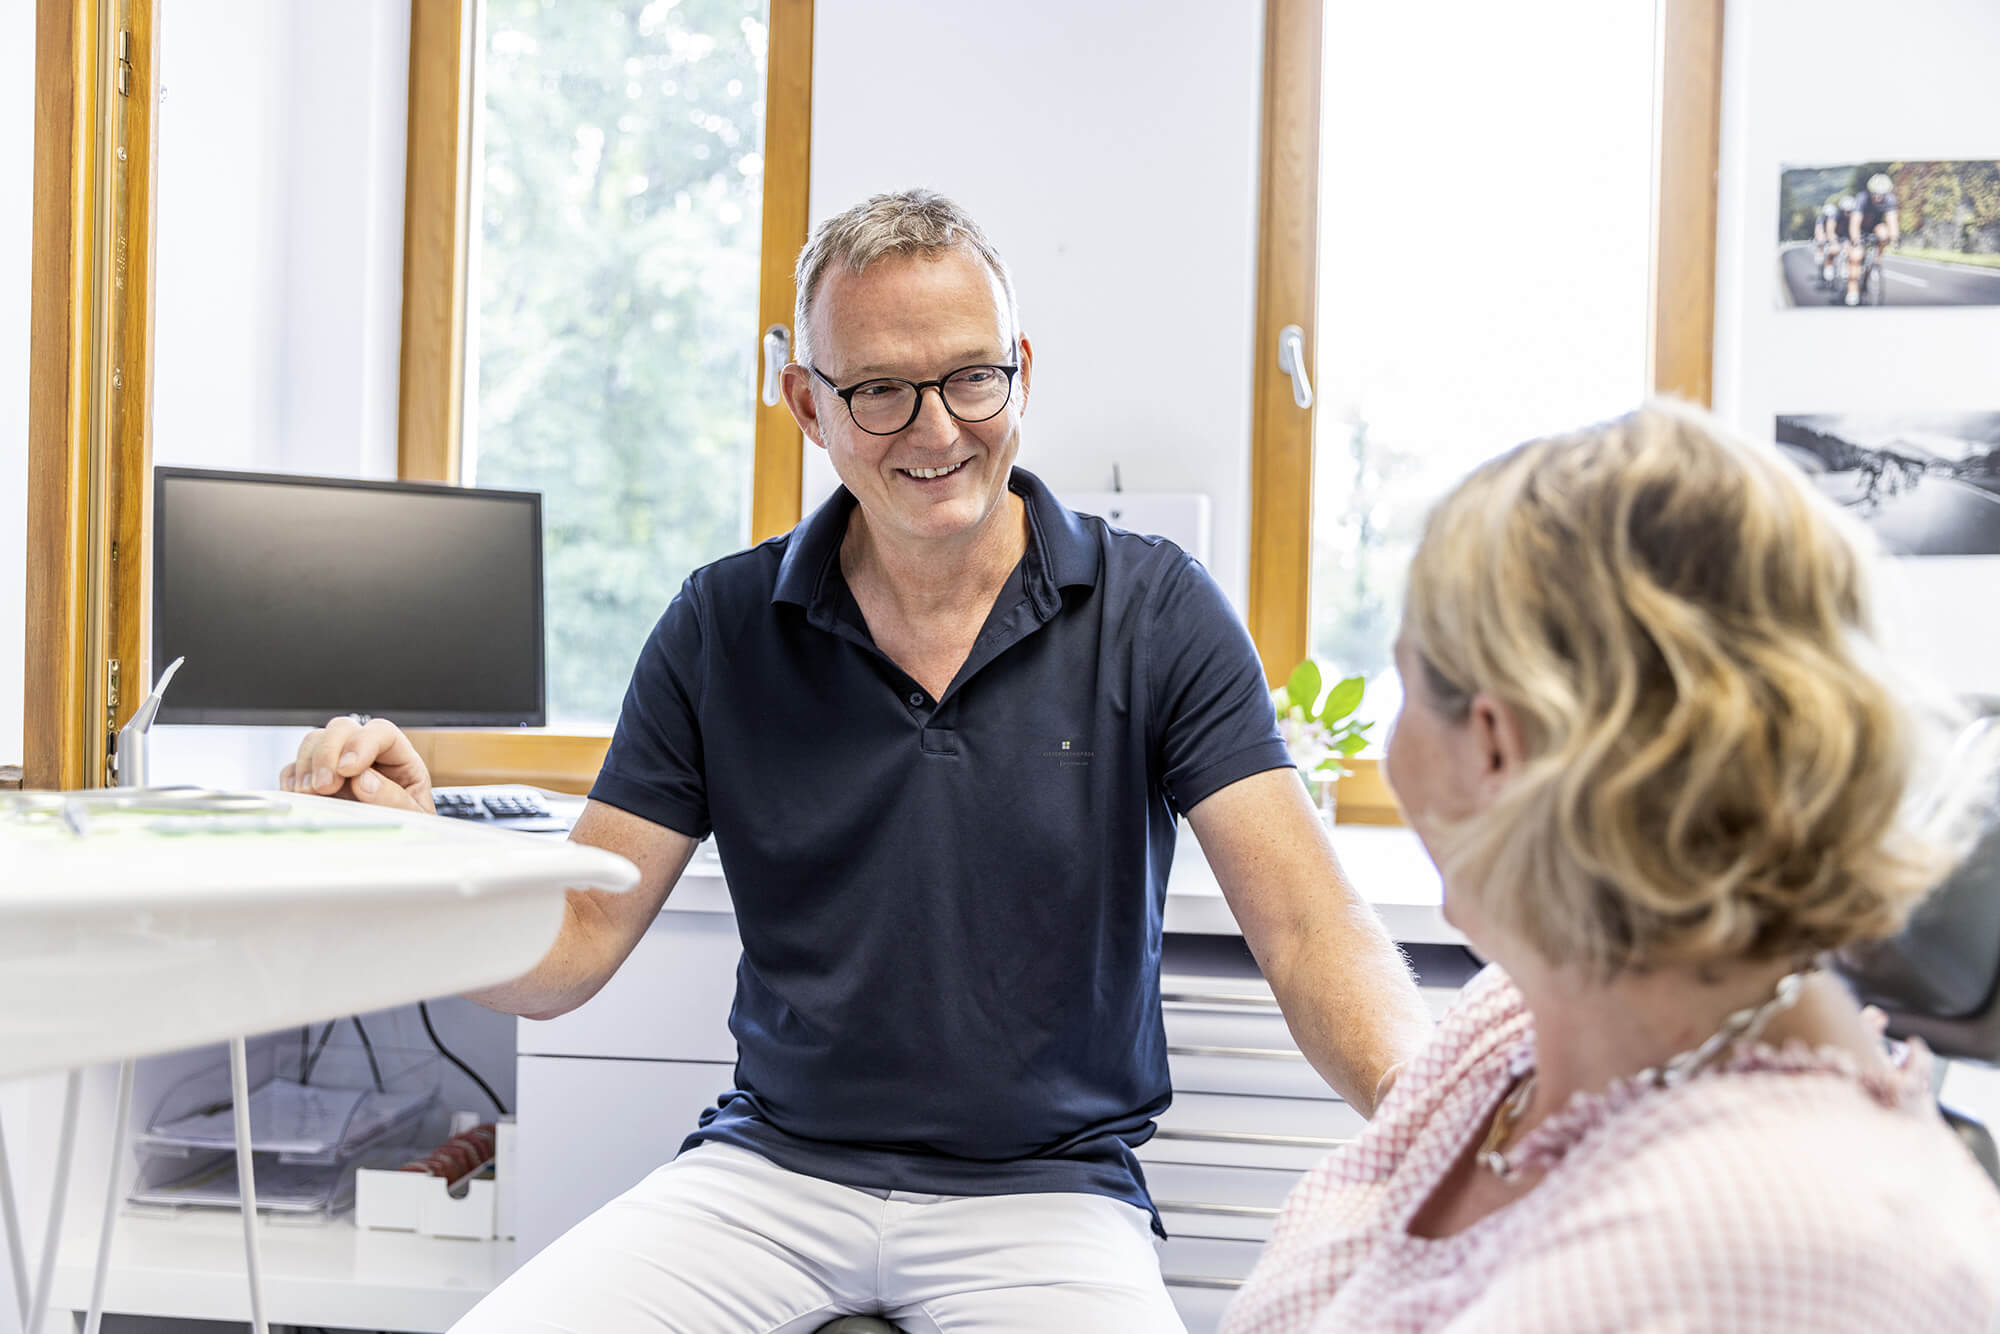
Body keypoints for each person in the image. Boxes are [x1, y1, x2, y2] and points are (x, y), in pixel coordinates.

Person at [285, 188, 1433, 1333]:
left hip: (1045, 1196)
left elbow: (1306, 924)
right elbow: (575, 943)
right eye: (879, 390)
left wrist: (1430, 1109)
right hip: (768, 1179)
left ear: (1021, 372)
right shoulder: (719, 626)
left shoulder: (1156, 611)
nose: (934, 431)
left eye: (971, 377)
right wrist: (405, 858)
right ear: (807, 404)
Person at [1221, 402, 2000, 1334]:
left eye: (1407, 692)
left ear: (1495, 745)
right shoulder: (1519, 1018)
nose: (1390, 752)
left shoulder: (1753, 1243)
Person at [1846, 172, 1900, 305]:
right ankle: (1852, 291)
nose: (1878, 197)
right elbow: (1855, 223)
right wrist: (1856, 240)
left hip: (1875, 227)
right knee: (1856, 257)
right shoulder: (1861, 198)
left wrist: (1894, 239)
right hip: (1860, 228)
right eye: (1875, 193)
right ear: (1870, 191)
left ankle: (1876, 259)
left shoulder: (1890, 199)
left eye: (1882, 194)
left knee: (1884, 234)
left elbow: (1892, 221)